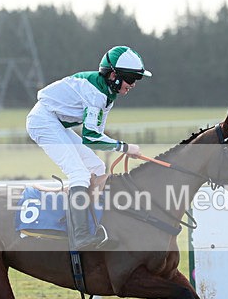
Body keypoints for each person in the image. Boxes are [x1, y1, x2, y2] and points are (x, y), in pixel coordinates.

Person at [26, 45, 152, 250]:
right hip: (43, 121)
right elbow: (91, 138)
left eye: (137, 79)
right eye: (131, 79)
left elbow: (96, 135)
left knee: (97, 167)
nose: (133, 84)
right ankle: (80, 236)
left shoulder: (107, 94)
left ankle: (93, 222)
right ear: (114, 75)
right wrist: (125, 147)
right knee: (79, 174)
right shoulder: (96, 93)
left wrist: (122, 147)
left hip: (55, 122)